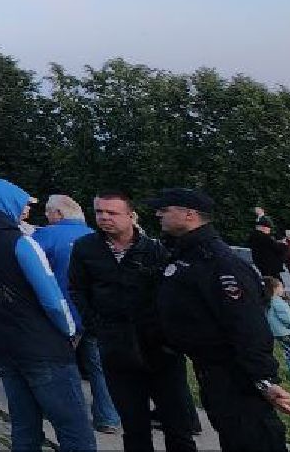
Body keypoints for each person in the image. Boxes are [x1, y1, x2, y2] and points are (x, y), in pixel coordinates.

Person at [151, 187, 290, 452]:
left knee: (250, 438)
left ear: (189, 215)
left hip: (235, 374)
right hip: (210, 370)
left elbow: (248, 326)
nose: (157, 214)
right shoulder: (187, 254)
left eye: (165, 210)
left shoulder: (220, 262)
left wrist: (264, 379)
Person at [0, 179, 93, 452]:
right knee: (73, 428)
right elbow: (53, 299)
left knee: (24, 425)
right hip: (39, 343)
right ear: (6, 202)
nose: (27, 210)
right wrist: (69, 331)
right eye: (23, 204)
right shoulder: (20, 243)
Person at [69, 191, 200, 452]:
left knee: (178, 426)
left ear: (131, 216)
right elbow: (78, 289)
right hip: (116, 348)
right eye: (99, 212)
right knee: (134, 428)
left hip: (160, 350)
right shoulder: (87, 248)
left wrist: (168, 335)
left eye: (112, 213)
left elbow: (173, 295)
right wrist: (97, 326)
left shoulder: (154, 250)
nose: (105, 218)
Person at [32, 195, 119, 434]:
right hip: (95, 313)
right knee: (98, 366)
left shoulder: (45, 236)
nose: (47, 217)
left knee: (59, 363)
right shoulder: (98, 238)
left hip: (62, 312)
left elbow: (31, 270)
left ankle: (62, 413)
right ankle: (108, 417)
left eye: (49, 213)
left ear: (58, 214)